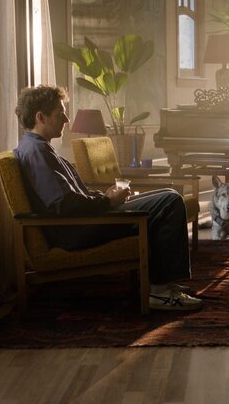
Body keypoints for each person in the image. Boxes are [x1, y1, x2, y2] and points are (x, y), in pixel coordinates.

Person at [13, 85, 201, 311]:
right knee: (170, 202)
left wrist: (104, 197)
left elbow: (70, 196)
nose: (66, 118)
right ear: (40, 117)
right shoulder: (37, 152)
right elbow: (63, 204)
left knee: (168, 195)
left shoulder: (37, 148)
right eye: (59, 113)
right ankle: (160, 292)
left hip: (85, 220)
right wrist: (107, 202)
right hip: (77, 229)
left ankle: (163, 283)